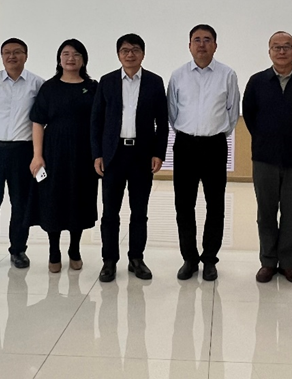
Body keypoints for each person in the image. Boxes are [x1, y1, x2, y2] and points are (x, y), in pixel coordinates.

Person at [243, 31, 292, 284]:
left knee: (291, 213)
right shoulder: (257, 81)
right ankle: (268, 261)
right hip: (264, 157)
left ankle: (287, 263)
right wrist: (266, 138)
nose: (282, 51)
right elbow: (249, 114)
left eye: (287, 46)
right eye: (276, 47)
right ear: (269, 52)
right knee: (266, 212)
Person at [91, 34, 169, 282]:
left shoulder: (154, 82)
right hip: (113, 155)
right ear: (118, 55)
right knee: (110, 213)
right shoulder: (107, 81)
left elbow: (162, 122)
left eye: (135, 49)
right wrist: (97, 154)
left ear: (143, 54)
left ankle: (136, 258)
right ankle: (109, 261)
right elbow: (96, 121)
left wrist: (159, 153)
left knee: (139, 211)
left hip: (141, 155)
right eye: (125, 50)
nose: (130, 54)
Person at [168, 24, 240, 281]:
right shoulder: (178, 75)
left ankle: (210, 259)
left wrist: (215, 133)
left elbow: (233, 112)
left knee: (215, 204)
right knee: (184, 204)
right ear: (189, 45)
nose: (201, 44)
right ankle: (189, 258)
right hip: (185, 146)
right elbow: (172, 112)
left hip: (214, 146)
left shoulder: (227, 74)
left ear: (215, 45)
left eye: (207, 39)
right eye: (196, 40)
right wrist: (188, 133)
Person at [0, 38, 45, 273]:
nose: (12, 56)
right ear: (2, 56)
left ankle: (18, 250)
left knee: (20, 204)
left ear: (26, 55)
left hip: (22, 152)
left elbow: (41, 119)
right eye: (7, 52)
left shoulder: (37, 84)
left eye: (17, 52)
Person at [29, 39, 99, 273]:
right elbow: (38, 122)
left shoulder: (92, 87)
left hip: (84, 152)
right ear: (59, 59)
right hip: (54, 151)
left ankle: (75, 249)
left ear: (84, 60)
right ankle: (53, 251)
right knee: (53, 199)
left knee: (79, 198)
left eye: (76, 54)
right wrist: (37, 156)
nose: (71, 58)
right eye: (66, 54)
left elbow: (100, 121)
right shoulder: (49, 87)